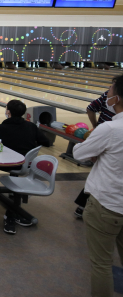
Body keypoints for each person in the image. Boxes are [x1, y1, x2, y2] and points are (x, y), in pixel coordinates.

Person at [73, 75, 123, 297]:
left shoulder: (110, 129)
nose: (107, 95)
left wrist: (94, 139)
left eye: (110, 92)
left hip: (107, 205)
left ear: (117, 99)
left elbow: (79, 153)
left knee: (102, 265)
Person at [0, 99, 50, 234]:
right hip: (26, 166)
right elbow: (46, 142)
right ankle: (5, 189)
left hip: (8, 165)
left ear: (8, 112)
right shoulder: (31, 126)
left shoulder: (2, 128)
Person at [75, 78, 117, 218]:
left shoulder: (109, 128)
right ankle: (83, 206)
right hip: (103, 139)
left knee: (102, 171)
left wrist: (95, 127)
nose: (108, 90)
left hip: (102, 139)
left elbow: (90, 108)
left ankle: (83, 206)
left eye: (111, 88)